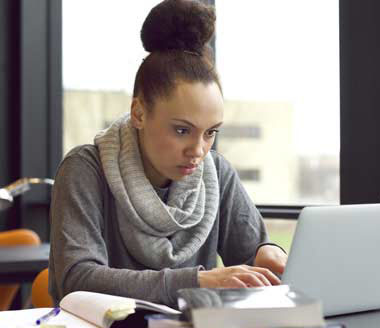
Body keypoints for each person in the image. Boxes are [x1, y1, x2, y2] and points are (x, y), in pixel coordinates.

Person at [49, 0, 288, 308]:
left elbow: (251, 259)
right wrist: (196, 281)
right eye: (181, 130)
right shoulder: (84, 170)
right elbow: (77, 279)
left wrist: (268, 253)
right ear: (138, 113)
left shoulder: (217, 173)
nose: (198, 150)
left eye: (210, 132)